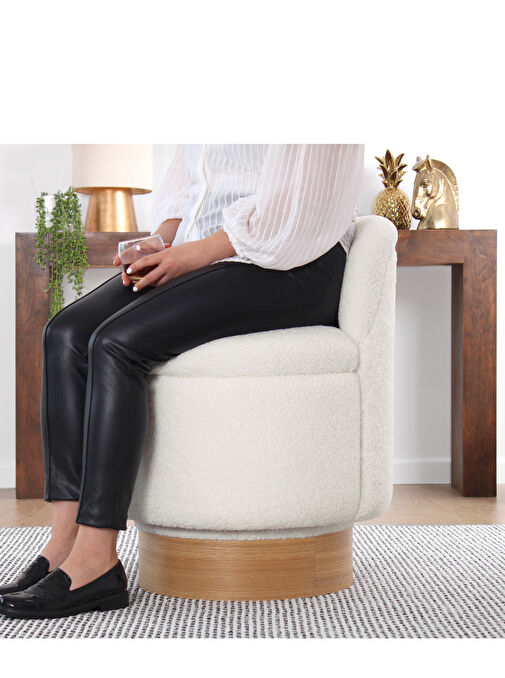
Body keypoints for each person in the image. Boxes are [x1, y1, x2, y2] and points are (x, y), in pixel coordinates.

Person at [0, 144, 364, 619]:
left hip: (291, 260)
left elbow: (295, 210)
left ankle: (96, 561)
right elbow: (194, 182)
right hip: (206, 254)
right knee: (65, 334)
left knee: (116, 343)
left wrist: (195, 254)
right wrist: (163, 241)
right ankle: (63, 544)